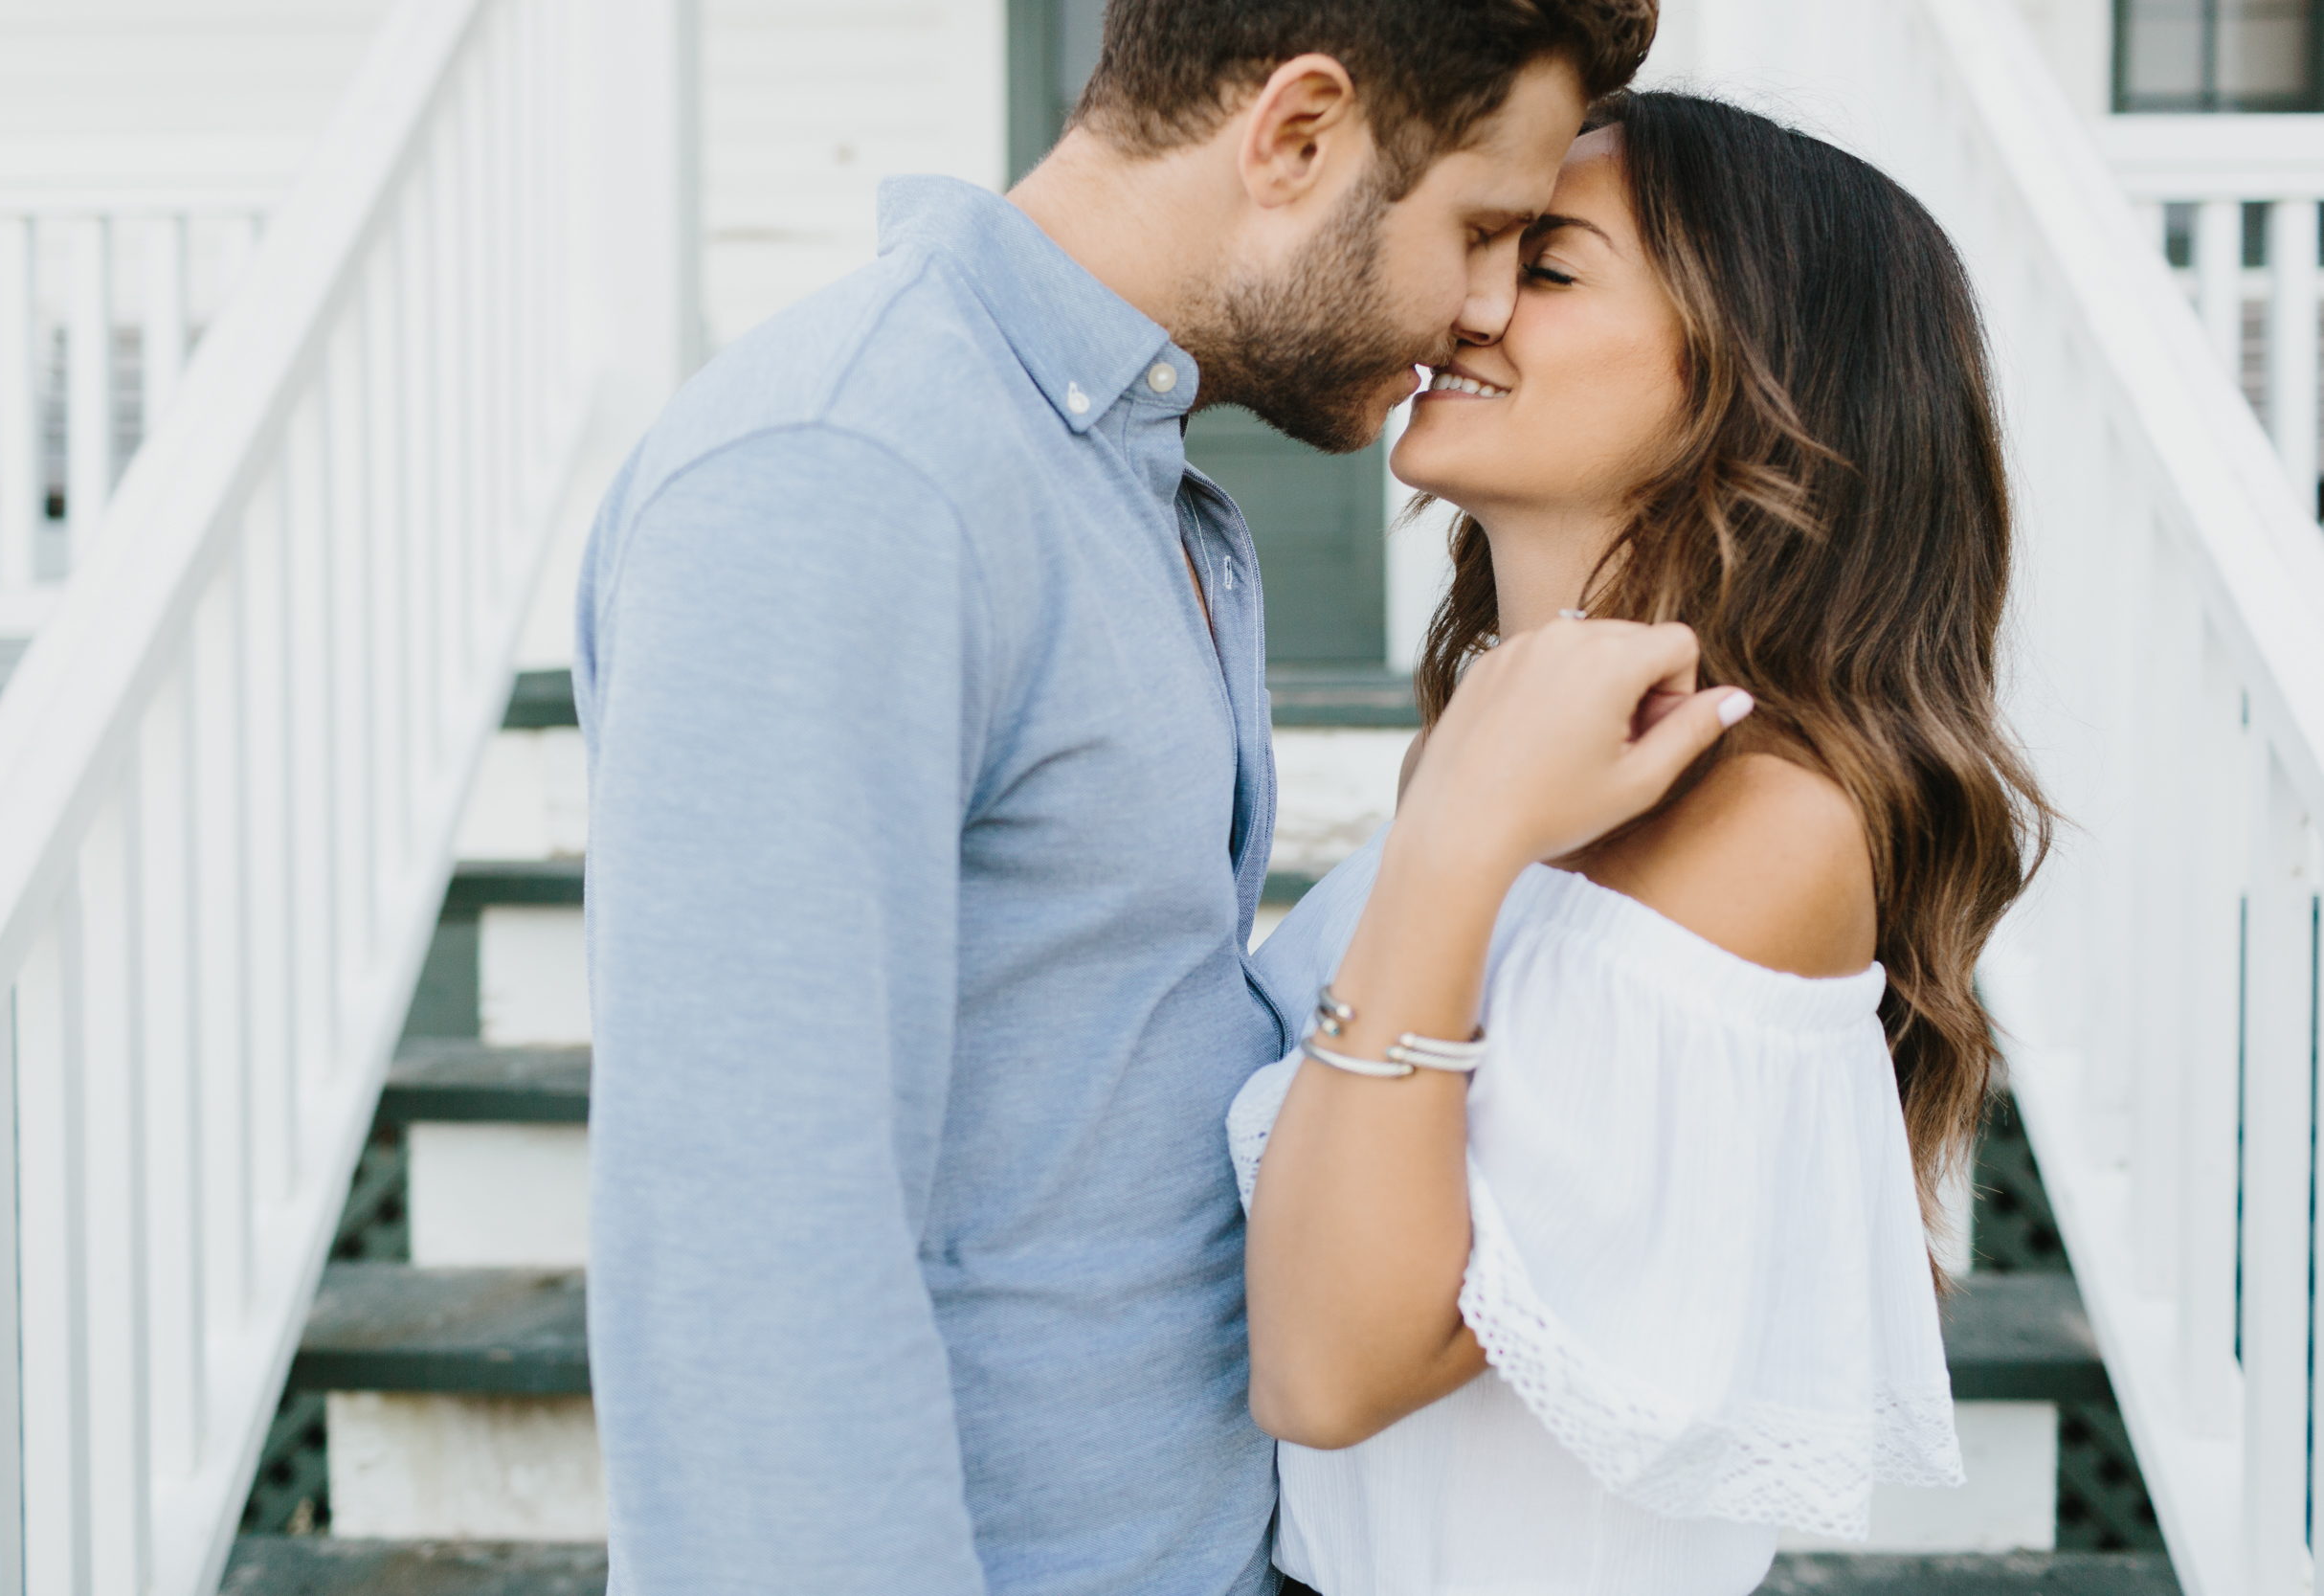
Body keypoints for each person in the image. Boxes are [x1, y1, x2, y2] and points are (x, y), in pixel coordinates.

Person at [571, 4, 1710, 1593]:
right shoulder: (849, 473)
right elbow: (750, 1266)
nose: (1483, 303)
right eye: (1483, 227)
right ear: (1297, 135)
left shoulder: (1118, 467)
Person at [1231, 92, 2058, 1596]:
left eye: (1545, 267)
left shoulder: (1765, 825)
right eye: (1484, 247)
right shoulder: (1490, 754)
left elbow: (1329, 1375)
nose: (1462, 305)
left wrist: (1456, 845)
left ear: (1755, 380)